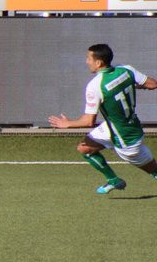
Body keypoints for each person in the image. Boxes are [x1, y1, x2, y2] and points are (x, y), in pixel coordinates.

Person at [49, 44, 157, 194]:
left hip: (126, 139)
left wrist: (67, 124)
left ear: (99, 63)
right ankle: (113, 180)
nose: (87, 61)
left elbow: (88, 121)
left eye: (89, 58)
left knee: (154, 170)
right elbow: (152, 84)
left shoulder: (95, 85)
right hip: (116, 126)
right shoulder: (126, 69)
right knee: (84, 148)